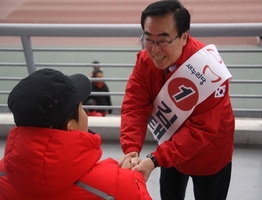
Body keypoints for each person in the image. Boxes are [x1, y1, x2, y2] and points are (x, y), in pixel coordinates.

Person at [120, 1, 235, 200]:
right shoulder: (145, 61)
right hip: (170, 149)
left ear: (184, 37)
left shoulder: (210, 72)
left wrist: (156, 159)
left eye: (163, 40)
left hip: (209, 155)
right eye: (148, 39)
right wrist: (131, 149)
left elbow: (201, 130)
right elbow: (135, 106)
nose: (154, 50)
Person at [0, 68, 152, 200]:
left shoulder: (3, 174)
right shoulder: (124, 187)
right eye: (81, 107)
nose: (85, 113)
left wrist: (111, 170)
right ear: (70, 126)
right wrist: (131, 180)